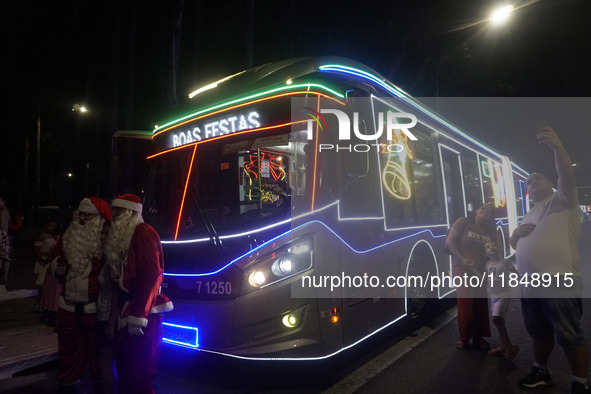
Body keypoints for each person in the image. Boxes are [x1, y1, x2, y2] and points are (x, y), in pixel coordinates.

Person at [510, 128, 590, 393]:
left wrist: (558, 147)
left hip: (558, 279)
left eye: (538, 179)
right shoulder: (530, 212)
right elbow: (518, 245)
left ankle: (580, 382)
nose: (532, 184)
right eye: (529, 183)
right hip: (531, 283)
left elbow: (566, 175)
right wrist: (514, 236)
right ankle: (540, 371)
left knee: (568, 334)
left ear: (550, 183)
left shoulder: (562, 200)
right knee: (538, 331)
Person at [104, 194, 173, 394]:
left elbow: (153, 275)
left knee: (139, 372)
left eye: (117, 211)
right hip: (128, 310)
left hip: (142, 313)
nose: (113, 216)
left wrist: (139, 314)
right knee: (125, 369)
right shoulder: (128, 235)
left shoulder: (143, 232)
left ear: (130, 213)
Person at [51, 197, 111, 394]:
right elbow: (55, 265)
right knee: (67, 352)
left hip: (94, 310)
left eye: (88, 215)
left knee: (97, 353)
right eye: (81, 214)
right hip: (67, 307)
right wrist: (58, 266)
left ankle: (100, 387)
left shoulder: (107, 241)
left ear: (100, 218)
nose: (83, 219)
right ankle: (67, 386)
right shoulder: (68, 238)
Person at [445, 202, 496, 350]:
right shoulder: (464, 222)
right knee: (466, 301)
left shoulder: (490, 231)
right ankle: (465, 337)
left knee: (480, 303)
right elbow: (450, 241)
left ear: (492, 217)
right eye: (483, 207)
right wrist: (462, 259)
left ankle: (478, 336)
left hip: (481, 270)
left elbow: (493, 251)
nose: (486, 210)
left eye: (490, 211)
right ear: (477, 210)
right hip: (463, 267)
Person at [483, 241, 520, 360]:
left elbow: (516, 274)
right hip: (493, 296)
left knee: (496, 319)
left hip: (503, 295)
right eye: (488, 247)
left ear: (498, 248)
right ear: (485, 252)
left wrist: (519, 288)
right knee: (499, 323)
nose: (491, 248)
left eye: (493, 245)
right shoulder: (487, 264)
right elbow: (485, 278)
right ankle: (504, 347)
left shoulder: (504, 262)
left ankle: (510, 348)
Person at [34, 218, 58, 311]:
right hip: (43, 260)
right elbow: (36, 249)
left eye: (53, 226)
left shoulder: (53, 236)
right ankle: (38, 304)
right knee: (41, 283)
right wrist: (42, 259)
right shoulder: (42, 236)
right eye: (49, 226)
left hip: (50, 260)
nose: (51, 228)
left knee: (47, 284)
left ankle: (45, 303)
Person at [0, 196, 11, 283]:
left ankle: (3, 276)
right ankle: (5, 276)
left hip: (1, 235)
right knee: (6, 256)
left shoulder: (2, 211)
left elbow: (2, 225)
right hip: (5, 235)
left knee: (1, 256)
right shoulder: (7, 211)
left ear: (4, 201)